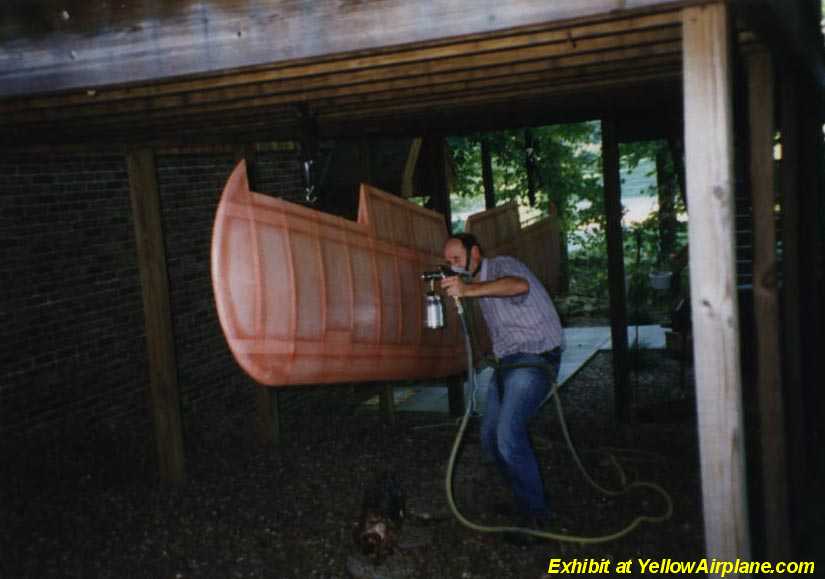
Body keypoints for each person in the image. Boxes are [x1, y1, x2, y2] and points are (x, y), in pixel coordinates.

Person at [440, 233, 563, 531]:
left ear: (476, 254)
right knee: (490, 439)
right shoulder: (479, 286)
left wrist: (468, 291)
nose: (453, 266)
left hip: (535, 358)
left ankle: (536, 519)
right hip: (509, 363)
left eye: (457, 259)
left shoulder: (502, 266)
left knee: (508, 437)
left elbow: (518, 286)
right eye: (448, 262)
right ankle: (526, 498)